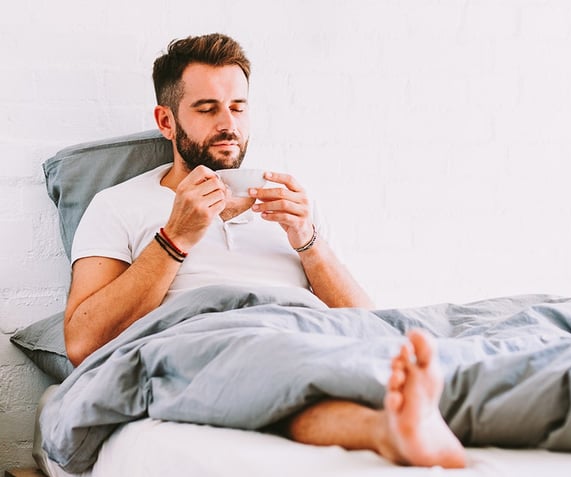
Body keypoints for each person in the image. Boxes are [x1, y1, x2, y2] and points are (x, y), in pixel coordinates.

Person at [63, 33, 466, 468]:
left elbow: (366, 322)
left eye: (238, 107)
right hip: (206, 343)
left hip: (306, 336)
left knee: (459, 336)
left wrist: (307, 240)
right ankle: (386, 427)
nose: (228, 124)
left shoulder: (285, 200)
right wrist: (174, 239)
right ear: (166, 121)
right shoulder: (119, 205)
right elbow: (83, 341)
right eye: (207, 108)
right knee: (265, 363)